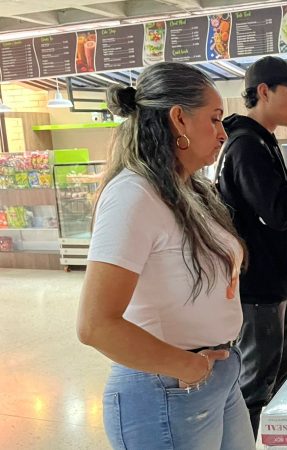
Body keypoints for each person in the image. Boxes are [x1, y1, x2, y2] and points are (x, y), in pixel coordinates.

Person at [77, 62, 254, 449]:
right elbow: (95, 324)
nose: (223, 133)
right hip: (168, 386)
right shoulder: (133, 194)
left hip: (215, 375)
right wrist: (188, 367)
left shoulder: (188, 189)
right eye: (215, 119)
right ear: (179, 119)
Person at [216, 55, 287, 438]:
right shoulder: (246, 146)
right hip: (258, 289)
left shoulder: (260, 141)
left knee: (281, 376)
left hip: (273, 284)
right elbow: (279, 212)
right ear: (263, 91)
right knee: (256, 386)